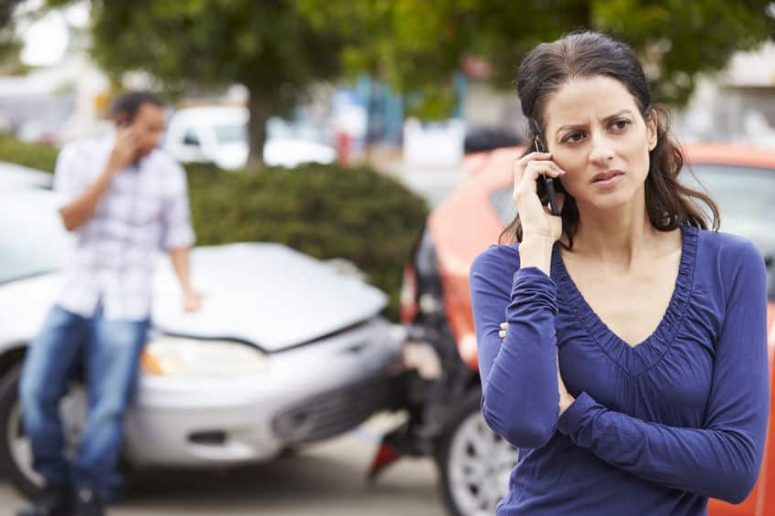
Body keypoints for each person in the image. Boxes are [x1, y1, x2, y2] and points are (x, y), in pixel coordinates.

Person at [470, 31, 769, 515]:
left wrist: (574, 413)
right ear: (545, 156)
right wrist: (539, 248)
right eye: (575, 136)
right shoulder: (507, 271)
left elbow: (733, 468)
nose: (601, 151)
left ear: (649, 129)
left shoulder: (730, 267)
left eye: (617, 125)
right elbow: (523, 421)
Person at [17, 91, 201, 516]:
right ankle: (54, 486)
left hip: (129, 300)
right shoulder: (79, 157)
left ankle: (89, 493)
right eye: (150, 128)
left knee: (109, 404)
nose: (157, 138)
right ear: (122, 123)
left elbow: (178, 235)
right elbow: (70, 220)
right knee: (36, 391)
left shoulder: (168, 172)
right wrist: (110, 172)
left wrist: (188, 288)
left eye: (162, 130)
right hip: (77, 294)